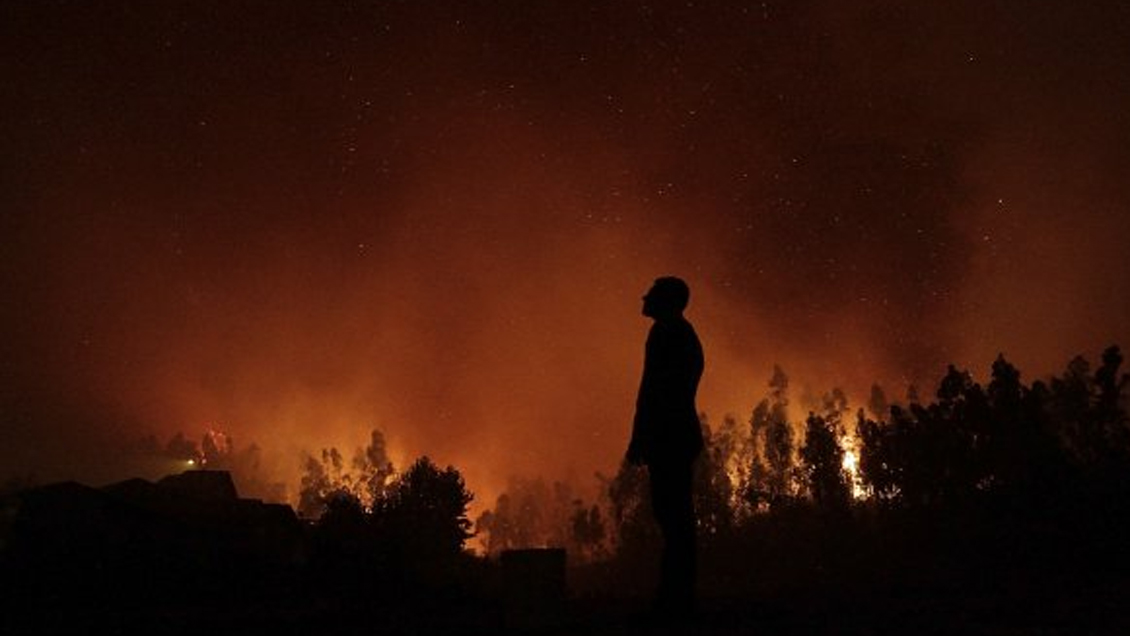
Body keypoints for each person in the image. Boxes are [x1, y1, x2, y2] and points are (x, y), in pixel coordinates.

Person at [626, 276, 704, 615]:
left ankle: (676, 598)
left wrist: (641, 438)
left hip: (668, 437)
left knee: (673, 517)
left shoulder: (667, 335)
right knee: (674, 516)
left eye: (652, 296)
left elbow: (655, 393)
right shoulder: (679, 335)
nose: (644, 299)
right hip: (676, 436)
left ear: (667, 302)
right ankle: (677, 594)